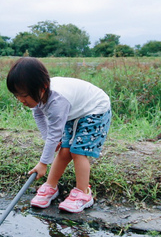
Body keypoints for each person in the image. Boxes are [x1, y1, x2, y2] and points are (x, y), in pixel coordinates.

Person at [6, 57, 111, 213]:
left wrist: (43, 163)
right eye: (17, 95)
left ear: (43, 87)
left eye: (24, 95)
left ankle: (83, 193)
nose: (21, 100)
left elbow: (54, 134)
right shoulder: (38, 94)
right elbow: (39, 115)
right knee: (65, 149)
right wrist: (47, 138)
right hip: (75, 111)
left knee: (78, 151)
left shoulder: (57, 101)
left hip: (95, 109)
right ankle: (51, 186)